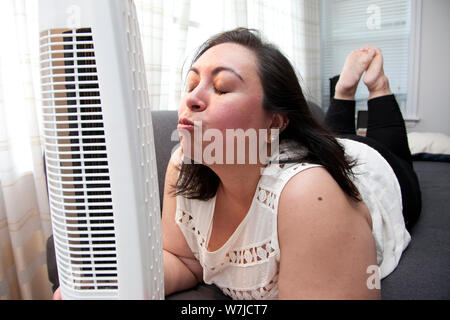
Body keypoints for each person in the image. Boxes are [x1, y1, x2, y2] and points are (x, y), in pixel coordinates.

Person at [54, 28, 421, 300]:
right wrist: (105, 289)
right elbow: (183, 260)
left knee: (383, 146)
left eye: (223, 87)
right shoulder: (184, 163)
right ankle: (343, 91)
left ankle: (377, 87)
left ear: (275, 121)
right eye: (192, 83)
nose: (193, 99)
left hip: (374, 169)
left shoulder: (309, 195)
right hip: (311, 148)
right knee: (335, 134)